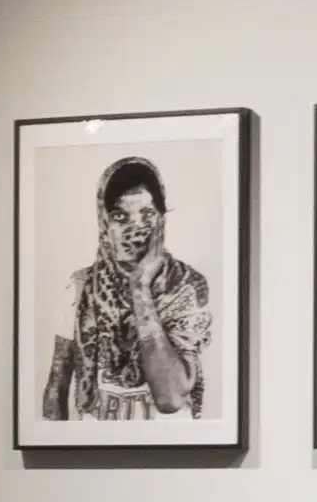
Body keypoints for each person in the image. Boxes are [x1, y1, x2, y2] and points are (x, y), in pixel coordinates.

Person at [41, 158, 216, 423]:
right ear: (104, 224)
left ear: (161, 219)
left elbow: (170, 398)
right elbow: (57, 388)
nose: (135, 230)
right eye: (120, 216)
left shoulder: (187, 287)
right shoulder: (80, 288)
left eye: (147, 215)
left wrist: (140, 287)